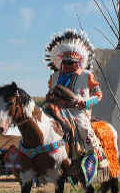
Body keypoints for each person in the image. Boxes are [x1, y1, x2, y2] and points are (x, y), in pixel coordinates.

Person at [44, 29, 108, 171]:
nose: (68, 65)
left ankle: (98, 155)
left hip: (79, 112)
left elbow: (99, 94)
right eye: (65, 62)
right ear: (61, 61)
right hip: (56, 111)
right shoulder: (54, 77)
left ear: (78, 62)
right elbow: (49, 93)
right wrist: (49, 98)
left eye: (71, 62)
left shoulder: (86, 75)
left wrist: (85, 103)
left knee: (84, 128)